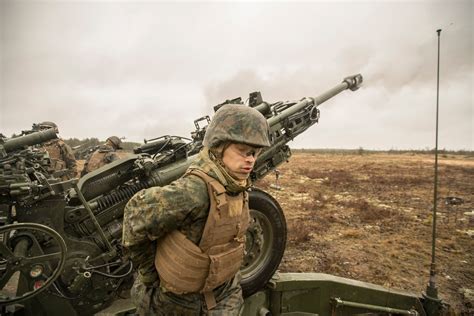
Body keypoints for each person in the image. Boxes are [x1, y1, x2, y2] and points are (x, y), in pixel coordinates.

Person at [122, 104, 271, 315]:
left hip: (223, 293)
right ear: (219, 147)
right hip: (176, 304)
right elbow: (134, 217)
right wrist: (149, 273)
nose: (250, 159)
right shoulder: (194, 191)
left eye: (255, 153)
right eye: (243, 151)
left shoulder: (236, 185)